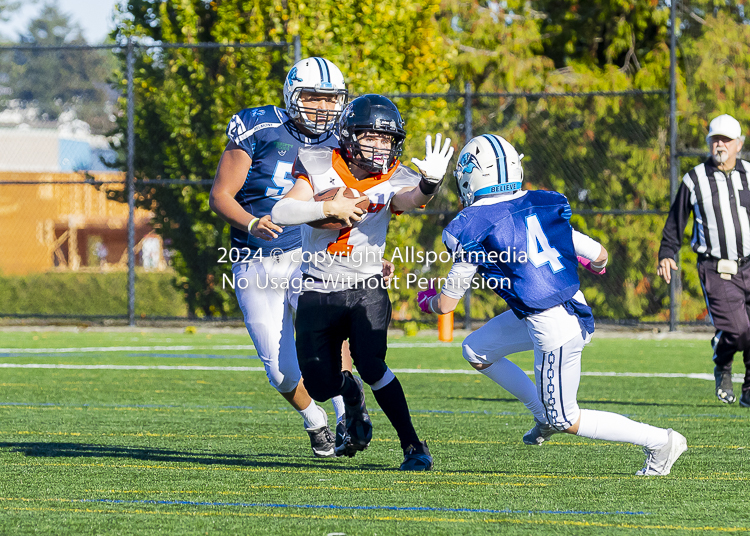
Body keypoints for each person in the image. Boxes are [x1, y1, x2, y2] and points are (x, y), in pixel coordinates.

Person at [417, 134, 688, 476]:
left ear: (471, 177)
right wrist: (592, 267)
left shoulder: (471, 225)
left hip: (553, 325)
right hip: (562, 308)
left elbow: (446, 305)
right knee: (476, 349)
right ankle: (541, 413)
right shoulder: (541, 205)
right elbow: (600, 256)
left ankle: (660, 441)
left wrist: (426, 299)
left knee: (566, 418)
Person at [271, 94, 454, 470]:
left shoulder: (396, 174)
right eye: (372, 136)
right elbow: (281, 210)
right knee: (321, 386)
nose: (380, 146)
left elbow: (409, 197)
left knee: (372, 363)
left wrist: (430, 183)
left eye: (387, 139)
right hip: (317, 286)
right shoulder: (320, 161)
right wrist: (327, 207)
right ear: (350, 136)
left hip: (365, 286)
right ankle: (349, 393)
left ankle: (413, 446)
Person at [209, 57, 351, 457]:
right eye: (312, 97)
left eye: (330, 99)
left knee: (328, 334)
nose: (322, 107)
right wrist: (252, 223)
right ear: (292, 94)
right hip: (255, 260)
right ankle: (315, 420)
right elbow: (219, 196)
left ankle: (347, 415)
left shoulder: (342, 139)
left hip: (307, 254)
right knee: (280, 370)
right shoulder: (260, 127)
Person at [658, 114, 750, 407]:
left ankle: (748, 390)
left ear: (739, 143)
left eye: (726, 139)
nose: (720, 144)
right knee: (737, 330)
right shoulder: (694, 178)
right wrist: (666, 252)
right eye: (715, 139)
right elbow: (676, 219)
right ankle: (722, 361)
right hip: (716, 268)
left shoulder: (749, 173)